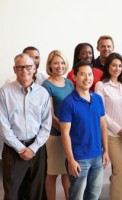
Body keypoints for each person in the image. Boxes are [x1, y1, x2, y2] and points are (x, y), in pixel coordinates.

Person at [0, 53, 51, 199]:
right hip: (14, 151)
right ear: (14, 70)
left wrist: (33, 148)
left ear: (34, 68)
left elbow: (46, 125)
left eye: (28, 67)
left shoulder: (42, 93)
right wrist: (22, 149)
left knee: (34, 192)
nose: (24, 70)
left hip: (37, 150)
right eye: (20, 67)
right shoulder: (5, 92)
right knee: (12, 194)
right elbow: (3, 127)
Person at [59, 61, 110, 199]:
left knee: (93, 195)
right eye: (82, 74)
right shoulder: (68, 103)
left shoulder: (98, 99)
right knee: (77, 196)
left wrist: (106, 151)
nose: (87, 78)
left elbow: (103, 125)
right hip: (79, 159)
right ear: (74, 77)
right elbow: (65, 133)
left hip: (97, 157)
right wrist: (70, 160)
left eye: (89, 74)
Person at [94, 52, 122, 200]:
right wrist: (118, 129)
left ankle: (116, 191)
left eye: (119, 66)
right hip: (112, 135)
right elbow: (101, 112)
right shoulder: (101, 85)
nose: (117, 68)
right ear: (108, 66)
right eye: (113, 65)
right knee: (119, 170)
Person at [42, 50, 74, 200]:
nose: (59, 66)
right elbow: (50, 115)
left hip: (69, 134)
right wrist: (65, 130)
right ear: (49, 65)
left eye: (62, 63)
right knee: (53, 172)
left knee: (66, 171)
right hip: (55, 135)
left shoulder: (69, 82)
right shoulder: (46, 85)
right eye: (55, 63)